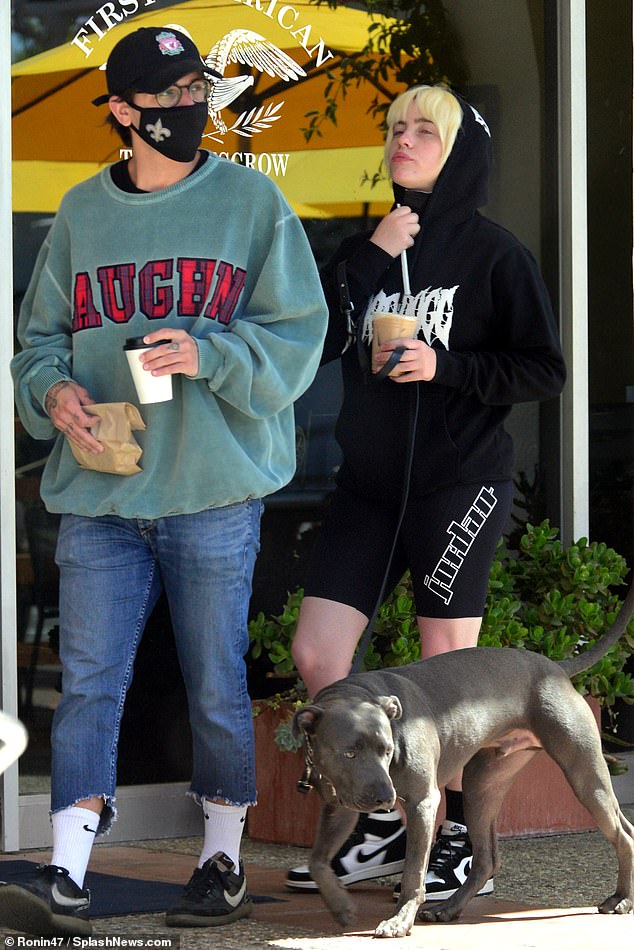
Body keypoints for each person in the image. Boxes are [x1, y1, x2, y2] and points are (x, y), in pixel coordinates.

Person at [2, 26, 327, 937]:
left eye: (198, 92)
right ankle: (65, 872)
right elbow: (36, 345)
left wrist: (210, 352)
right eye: (170, 97)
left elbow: (300, 337)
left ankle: (220, 859)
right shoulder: (78, 213)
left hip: (215, 489)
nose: (190, 110)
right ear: (122, 112)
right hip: (101, 494)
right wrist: (55, 391)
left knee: (215, 685)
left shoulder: (252, 203)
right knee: (91, 684)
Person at [286, 85, 566, 899]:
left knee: (448, 670)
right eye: (395, 130)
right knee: (318, 656)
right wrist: (371, 255)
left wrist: (448, 367)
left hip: (458, 483)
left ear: (459, 152)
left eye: (423, 132)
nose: (403, 141)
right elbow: (317, 341)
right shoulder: (366, 247)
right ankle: (375, 823)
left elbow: (544, 370)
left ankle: (443, 842)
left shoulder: (495, 254)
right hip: (368, 490)